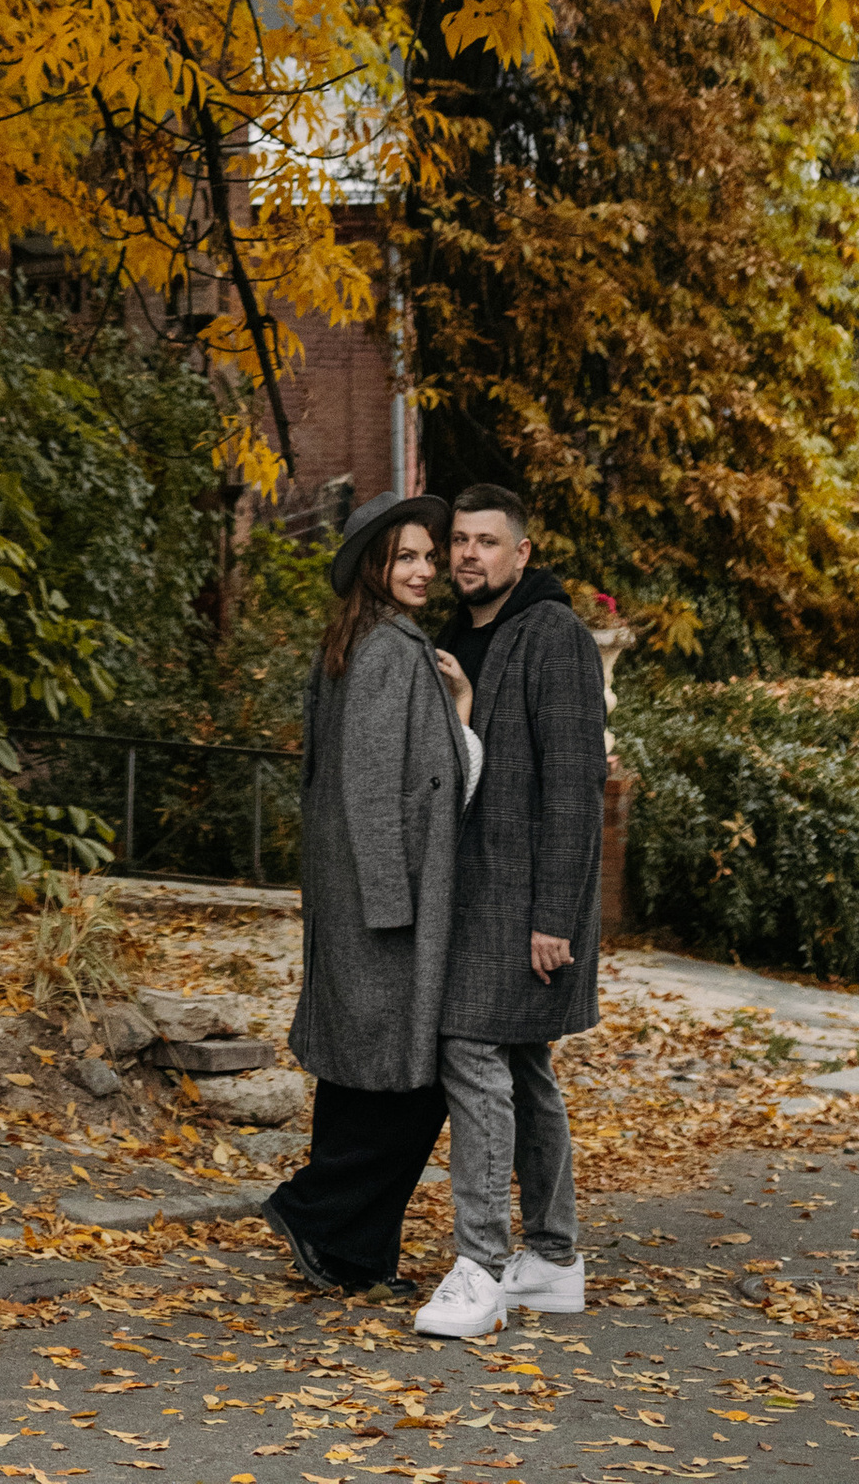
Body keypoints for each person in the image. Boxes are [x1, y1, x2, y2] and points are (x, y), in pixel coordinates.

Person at [263, 489, 482, 1296]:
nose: (425, 570)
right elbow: (368, 785)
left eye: (430, 556)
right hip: (385, 905)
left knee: (360, 1080)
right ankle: (313, 1213)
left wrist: (455, 704)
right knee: (411, 1086)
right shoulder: (391, 649)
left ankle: (351, 1255)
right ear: (375, 568)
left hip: (357, 898)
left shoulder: (361, 642)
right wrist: (393, 905)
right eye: (408, 558)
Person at [410, 481, 609, 1342]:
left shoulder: (554, 636)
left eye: (486, 542)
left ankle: (482, 1268)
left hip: (527, 899)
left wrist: (555, 916)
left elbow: (576, 783)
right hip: (474, 892)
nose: (466, 555)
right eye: (458, 539)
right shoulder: (459, 635)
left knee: (472, 1049)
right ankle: (556, 1261)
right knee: (525, 1067)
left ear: (521, 554)